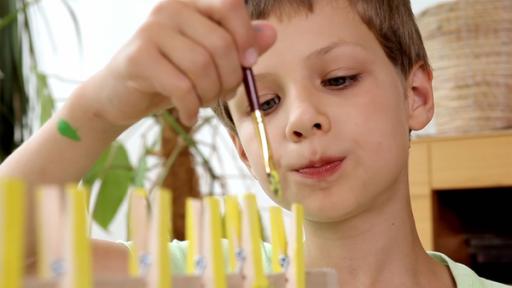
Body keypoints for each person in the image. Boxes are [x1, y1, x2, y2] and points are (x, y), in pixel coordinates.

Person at [0, 0, 508, 287]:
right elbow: (15, 265)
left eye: (338, 79)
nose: (302, 120)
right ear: (243, 150)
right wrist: (98, 110)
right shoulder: (204, 279)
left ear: (415, 95)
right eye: (265, 104)